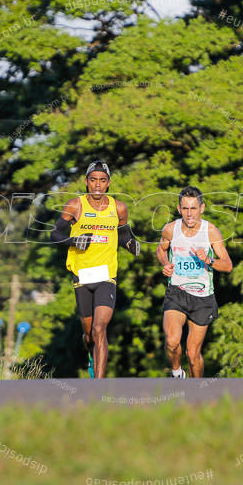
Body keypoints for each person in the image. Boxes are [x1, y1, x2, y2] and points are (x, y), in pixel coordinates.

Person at [50, 160, 140, 378]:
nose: (97, 185)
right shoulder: (75, 205)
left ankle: (98, 384)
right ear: (86, 182)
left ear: (108, 183)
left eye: (102, 180)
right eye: (93, 180)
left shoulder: (119, 207)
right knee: (89, 334)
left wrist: (131, 245)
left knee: (100, 328)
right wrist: (74, 240)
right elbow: (55, 235)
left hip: (107, 274)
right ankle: (90, 353)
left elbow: (124, 235)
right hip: (82, 274)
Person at [156, 186, 232, 378]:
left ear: (202, 208)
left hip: (202, 298)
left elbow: (228, 265)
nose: (189, 214)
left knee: (192, 354)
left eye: (194, 208)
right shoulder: (171, 229)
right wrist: (165, 263)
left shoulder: (211, 231)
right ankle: (176, 373)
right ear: (179, 208)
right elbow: (160, 249)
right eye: (185, 208)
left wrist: (208, 260)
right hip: (177, 293)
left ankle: (197, 392)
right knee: (172, 341)